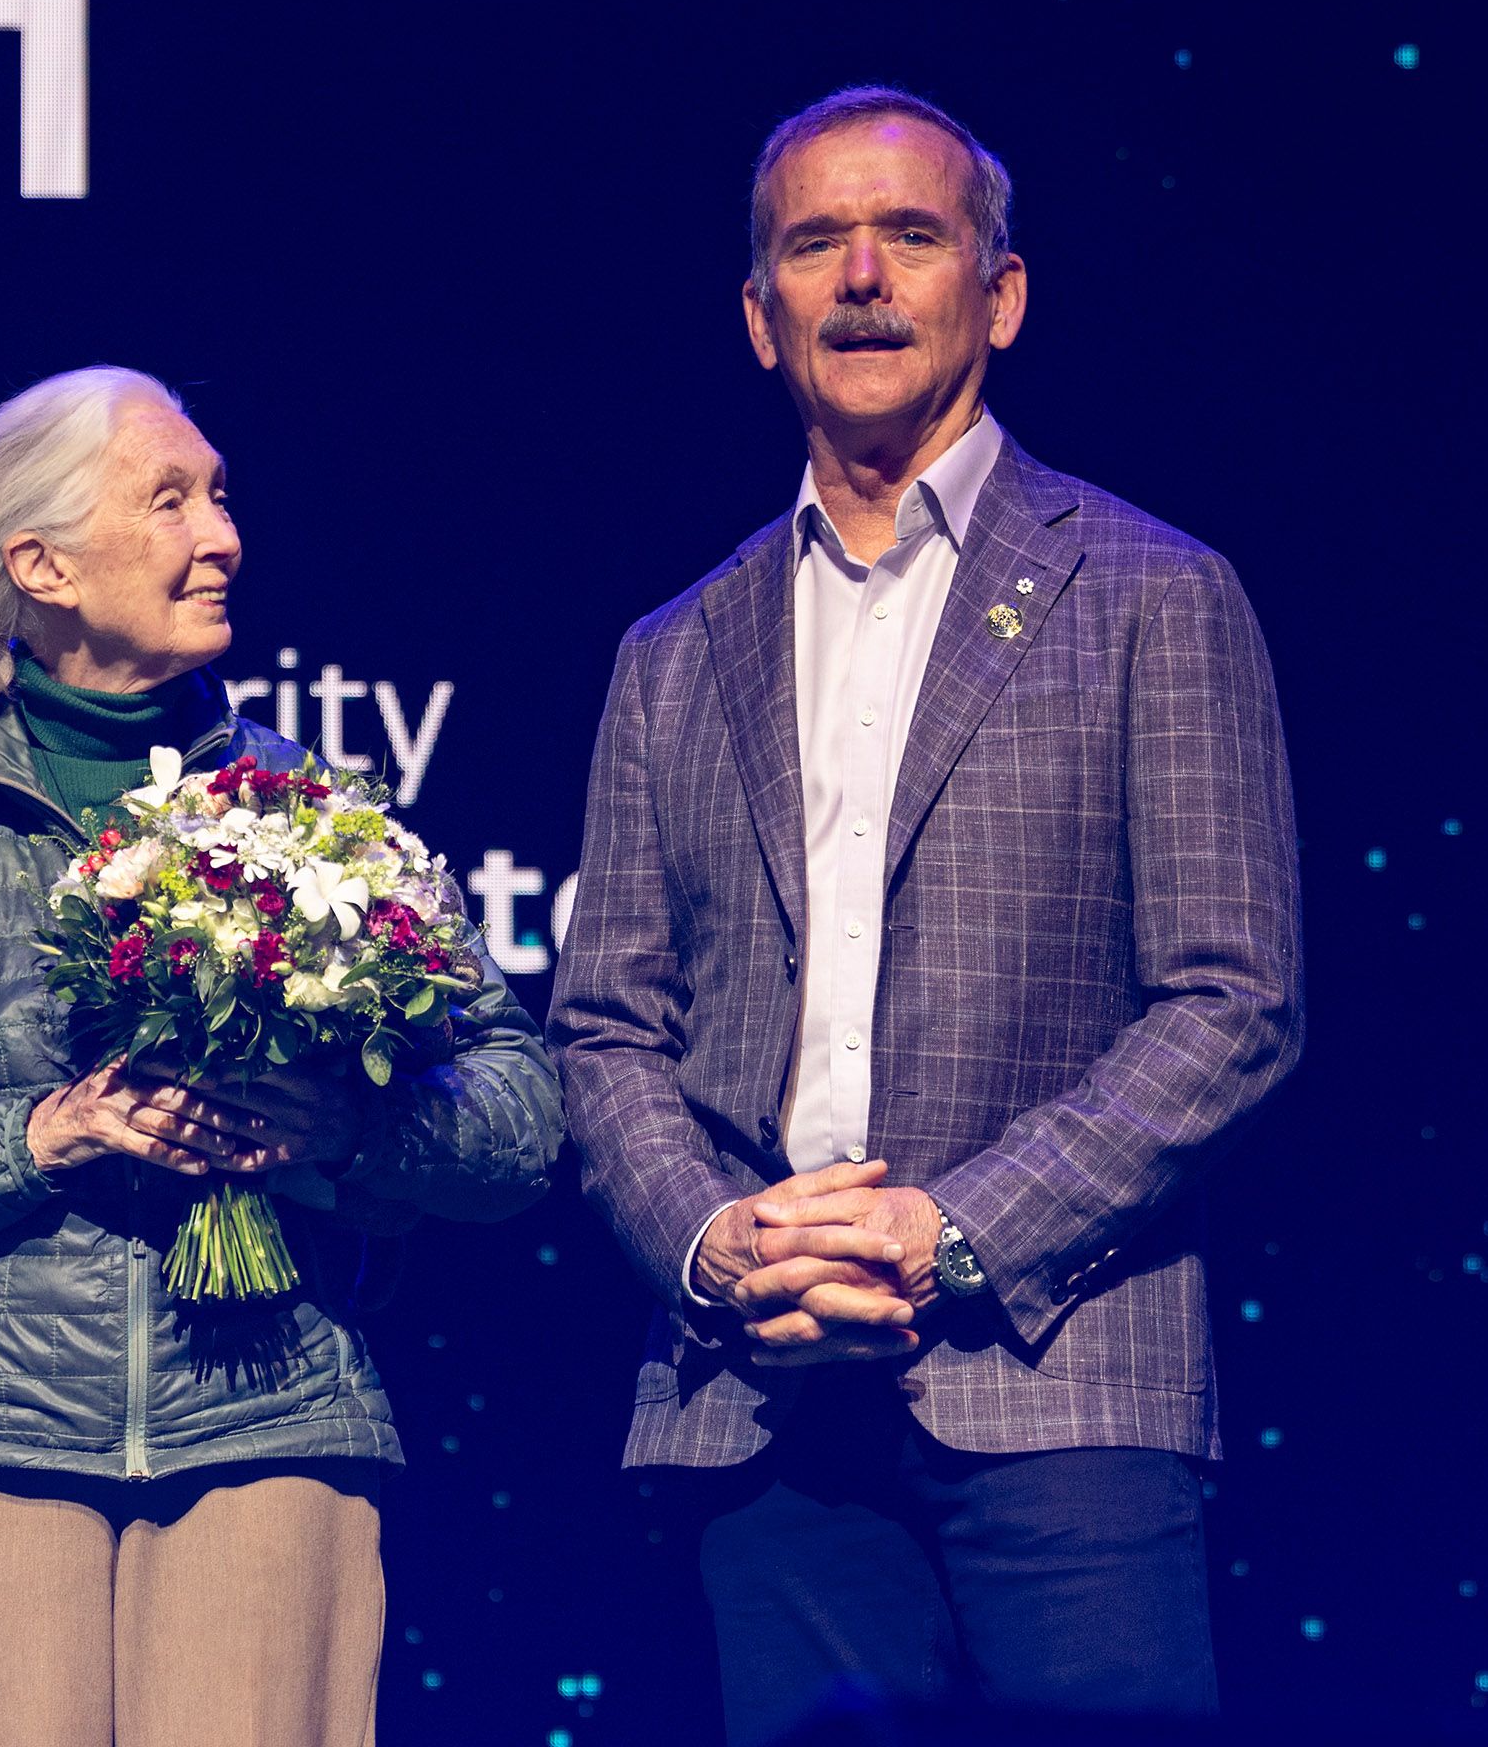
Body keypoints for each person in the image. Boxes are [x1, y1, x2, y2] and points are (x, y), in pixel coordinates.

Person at [549, 86, 1302, 1739]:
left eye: (912, 235)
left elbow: (1232, 1003)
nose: (863, 277)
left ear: (1002, 295)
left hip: (1061, 1382)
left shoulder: (1155, 595)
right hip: (762, 1397)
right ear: (762, 318)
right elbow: (602, 1028)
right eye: (815, 243)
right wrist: (721, 1247)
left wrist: (947, 1232)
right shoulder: (673, 652)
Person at [0, 365, 562, 1747]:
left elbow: (519, 1116)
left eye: (222, 496)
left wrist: (341, 1128)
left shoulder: (304, 803)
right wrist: (43, 1134)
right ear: (43, 565)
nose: (223, 536)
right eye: (170, 500)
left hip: (270, 1418)